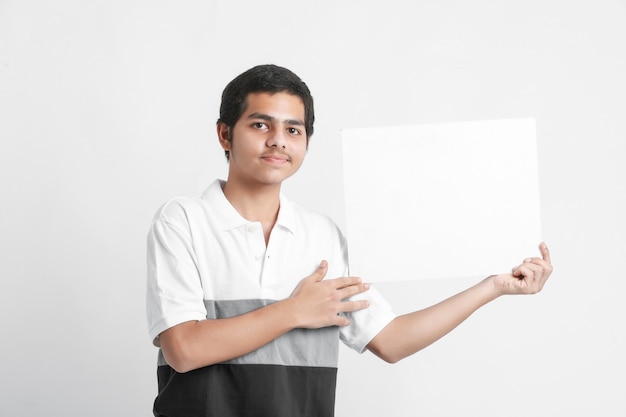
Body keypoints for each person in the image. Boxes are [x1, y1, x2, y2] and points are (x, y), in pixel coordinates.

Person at [146, 64, 553, 417]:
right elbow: (183, 349)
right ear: (224, 134)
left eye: (293, 129)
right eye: (259, 124)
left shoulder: (321, 236)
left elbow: (391, 340)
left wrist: (494, 286)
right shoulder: (183, 220)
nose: (278, 140)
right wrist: (294, 311)